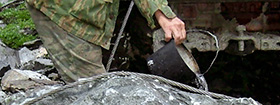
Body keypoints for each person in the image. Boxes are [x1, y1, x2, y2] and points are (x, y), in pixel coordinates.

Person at [25, 0, 186, 83]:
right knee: (95, 95)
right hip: (63, 12)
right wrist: (162, 13)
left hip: (97, 9)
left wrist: (160, 11)